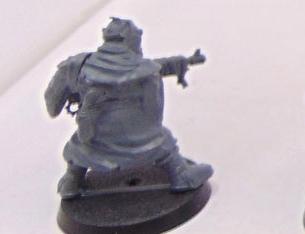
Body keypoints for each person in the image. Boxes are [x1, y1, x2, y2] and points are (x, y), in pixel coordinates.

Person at [43, 17, 211, 197]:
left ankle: (72, 181)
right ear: (131, 40)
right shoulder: (146, 71)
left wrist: (183, 61)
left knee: (79, 145)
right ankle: (181, 176)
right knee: (163, 140)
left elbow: (52, 105)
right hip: (140, 142)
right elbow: (154, 114)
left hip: (92, 140)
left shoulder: (75, 66)